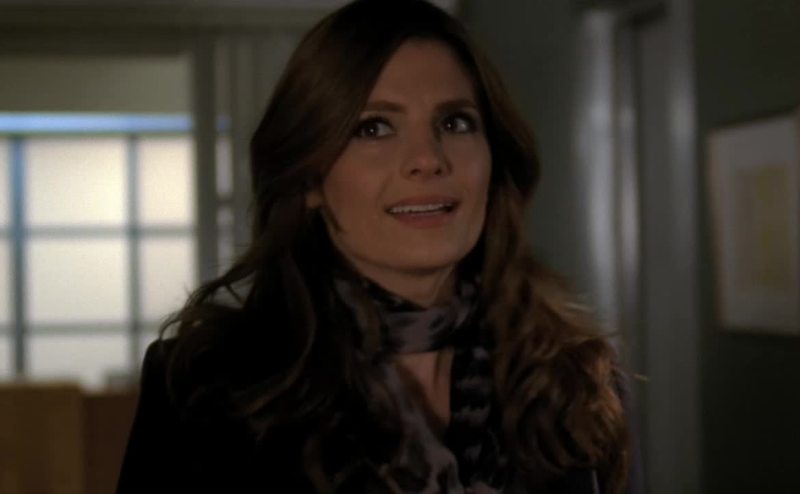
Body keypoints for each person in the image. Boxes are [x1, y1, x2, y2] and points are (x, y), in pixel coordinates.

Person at [117, 0, 641, 492]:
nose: (427, 159)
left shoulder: (571, 381)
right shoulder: (208, 387)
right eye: (374, 128)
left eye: (454, 122)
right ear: (309, 179)